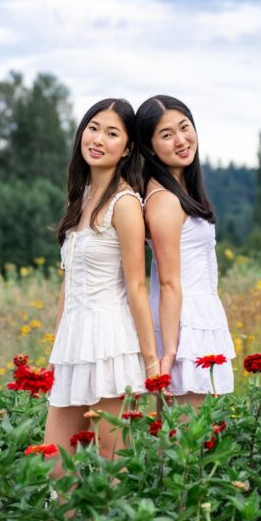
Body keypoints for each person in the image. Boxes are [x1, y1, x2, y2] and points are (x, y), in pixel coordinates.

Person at [44, 98, 159, 463]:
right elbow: (68, 283)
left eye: (112, 133)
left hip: (111, 341)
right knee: (55, 462)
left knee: (112, 463)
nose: (98, 139)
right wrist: (57, 349)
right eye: (93, 128)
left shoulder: (125, 204)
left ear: (126, 149)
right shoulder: (79, 198)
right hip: (73, 341)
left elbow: (137, 285)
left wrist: (151, 361)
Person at [136, 94, 235, 407]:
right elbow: (168, 281)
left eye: (184, 127)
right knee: (186, 441)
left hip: (194, 316)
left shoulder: (179, 191)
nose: (181, 140)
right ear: (150, 146)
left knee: (196, 438)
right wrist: (169, 352)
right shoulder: (164, 200)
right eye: (167, 135)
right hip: (182, 324)